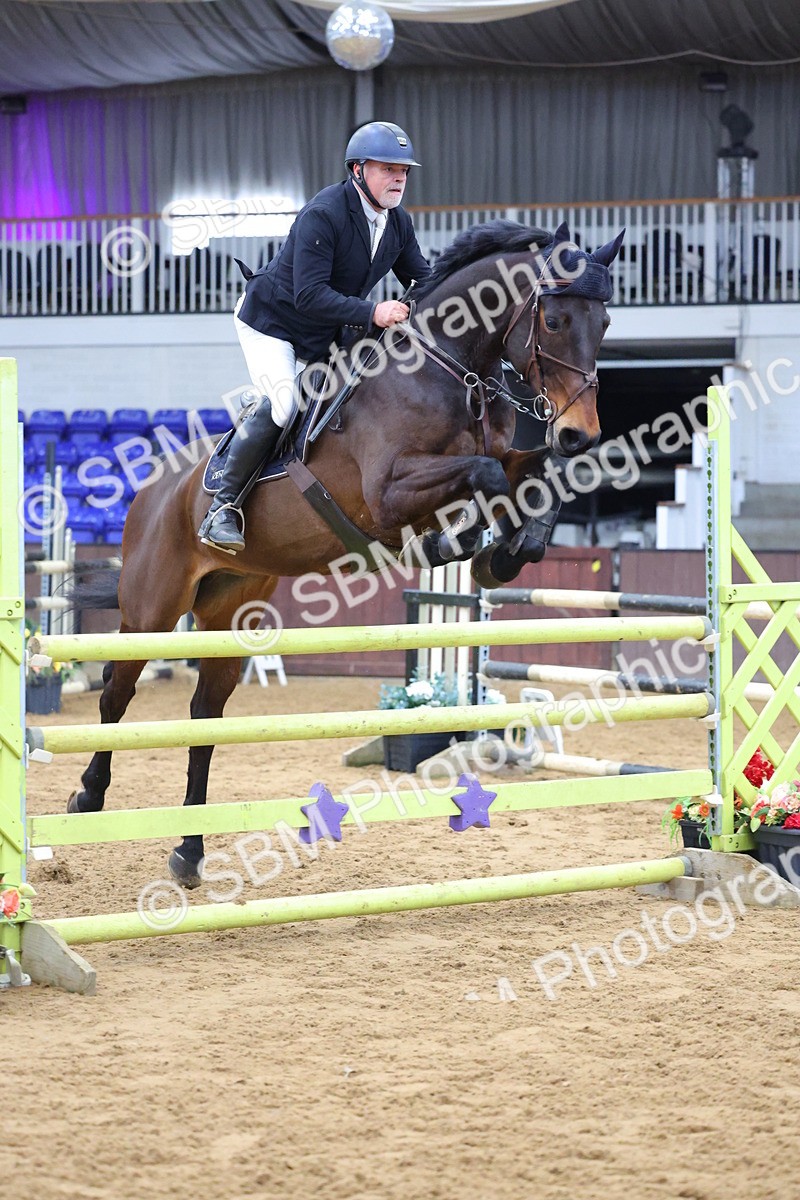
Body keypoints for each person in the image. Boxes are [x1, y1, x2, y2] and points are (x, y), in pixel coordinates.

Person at [199, 120, 431, 553]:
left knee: (368, 392)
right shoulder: (324, 214)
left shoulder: (397, 224)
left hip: (326, 330)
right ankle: (223, 508)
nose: (399, 177)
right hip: (272, 322)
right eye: (388, 169)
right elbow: (308, 295)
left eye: (404, 170)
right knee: (285, 404)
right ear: (358, 171)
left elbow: (425, 279)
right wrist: (373, 311)